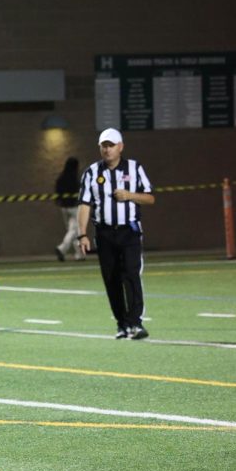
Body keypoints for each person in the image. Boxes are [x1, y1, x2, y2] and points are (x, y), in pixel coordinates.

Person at [77, 128, 155, 339]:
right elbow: (84, 205)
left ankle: (136, 322)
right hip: (104, 234)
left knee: (131, 274)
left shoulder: (134, 168)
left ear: (120, 147)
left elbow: (150, 198)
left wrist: (129, 195)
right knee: (111, 279)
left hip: (129, 231)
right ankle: (122, 323)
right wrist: (82, 234)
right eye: (104, 145)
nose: (107, 149)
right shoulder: (92, 172)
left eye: (111, 145)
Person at [54, 156, 82, 261]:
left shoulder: (61, 178)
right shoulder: (74, 178)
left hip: (64, 208)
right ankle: (62, 248)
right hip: (74, 207)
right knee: (75, 230)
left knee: (72, 230)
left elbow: (57, 192)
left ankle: (79, 254)